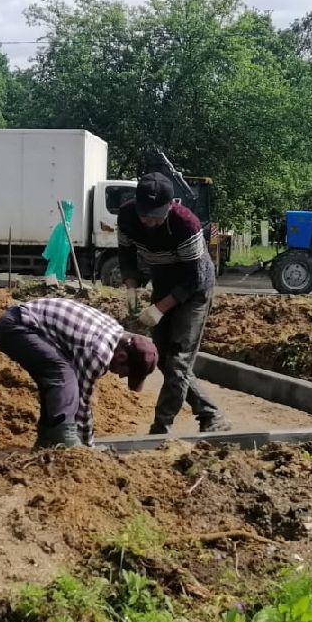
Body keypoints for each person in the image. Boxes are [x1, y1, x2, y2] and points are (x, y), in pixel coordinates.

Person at [117, 171, 229, 435]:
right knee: (164, 360)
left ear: (170, 206)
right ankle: (211, 414)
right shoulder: (127, 217)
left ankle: (160, 428)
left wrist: (159, 309)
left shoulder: (185, 224)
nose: (149, 221)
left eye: (156, 215)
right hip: (163, 282)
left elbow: (194, 278)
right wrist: (131, 288)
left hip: (195, 289)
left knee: (179, 360)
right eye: (145, 214)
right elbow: (126, 255)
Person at [0, 297, 157, 449]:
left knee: (55, 385)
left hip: (27, 324)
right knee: (63, 374)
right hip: (16, 327)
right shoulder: (98, 353)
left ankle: (47, 441)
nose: (120, 376)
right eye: (125, 372)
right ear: (122, 356)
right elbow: (81, 401)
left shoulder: (115, 330)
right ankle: (63, 438)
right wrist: (87, 449)